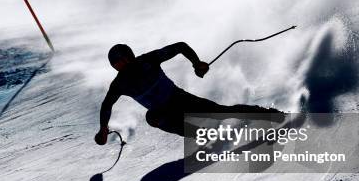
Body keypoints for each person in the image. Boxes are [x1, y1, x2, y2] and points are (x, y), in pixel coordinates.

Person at [94, 42, 284, 145]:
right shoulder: (120, 83)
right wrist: (103, 128)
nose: (123, 65)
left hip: (178, 98)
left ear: (130, 56)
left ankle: (269, 115)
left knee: (221, 112)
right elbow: (106, 104)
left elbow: (180, 47)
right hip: (163, 111)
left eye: (123, 60)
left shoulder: (148, 60)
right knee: (152, 117)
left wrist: (196, 63)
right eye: (118, 64)